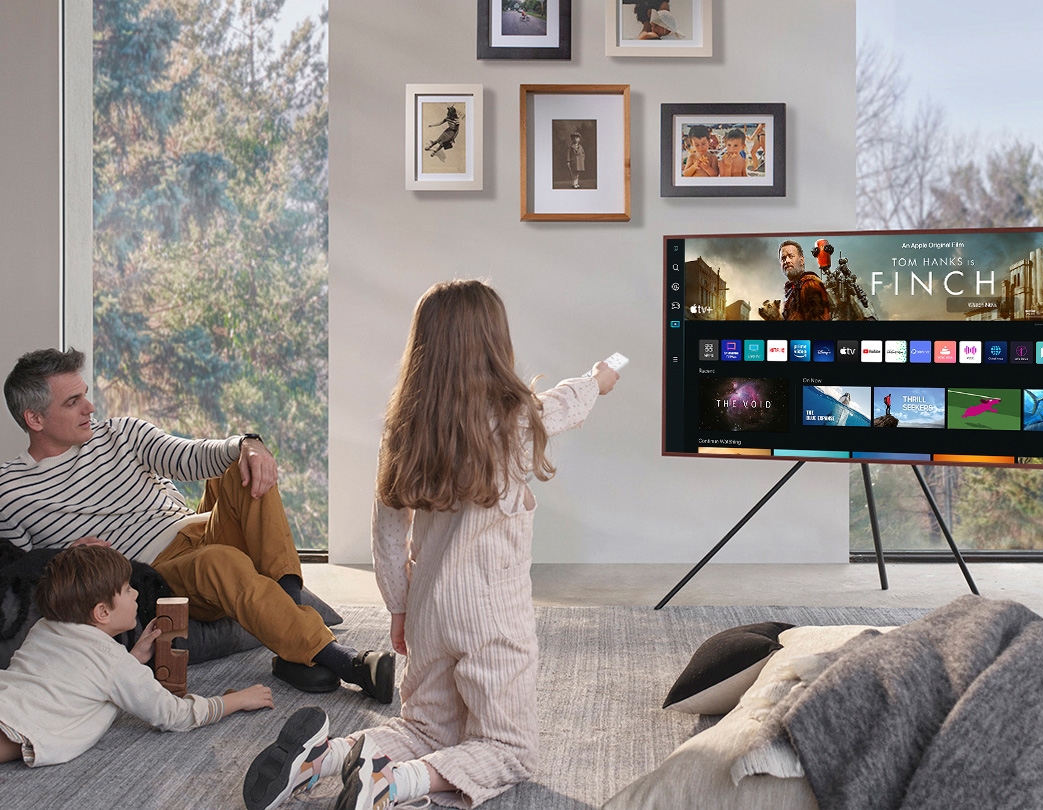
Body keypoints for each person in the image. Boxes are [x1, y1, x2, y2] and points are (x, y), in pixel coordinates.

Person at [242, 280, 621, 810]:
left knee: (425, 728)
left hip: (427, 610)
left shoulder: (402, 432)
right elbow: (565, 403)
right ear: (493, 344)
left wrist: (399, 609)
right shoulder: (513, 418)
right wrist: (599, 379)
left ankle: (323, 758)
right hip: (492, 617)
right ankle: (392, 785)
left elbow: (387, 535)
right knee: (510, 750)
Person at [0, 348, 394, 701]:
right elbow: (17, 570)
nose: (89, 407)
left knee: (239, 467)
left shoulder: (121, 433)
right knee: (222, 562)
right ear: (34, 417)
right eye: (73, 401)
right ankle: (347, 663)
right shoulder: (10, 490)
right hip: (159, 569)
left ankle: (292, 623)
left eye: (85, 394)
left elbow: (195, 456)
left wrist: (249, 444)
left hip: (199, 525)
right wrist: (63, 556)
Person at [0, 545, 273, 767]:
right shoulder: (112, 662)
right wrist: (234, 700)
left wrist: (134, 658)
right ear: (102, 612)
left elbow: (77, 677)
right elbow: (173, 714)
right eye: (128, 589)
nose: (137, 593)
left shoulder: (44, 628)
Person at [777, 240, 831, 321]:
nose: (786, 261)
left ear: (801, 260)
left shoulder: (809, 284)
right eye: (783, 258)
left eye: (791, 256)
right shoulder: (791, 288)